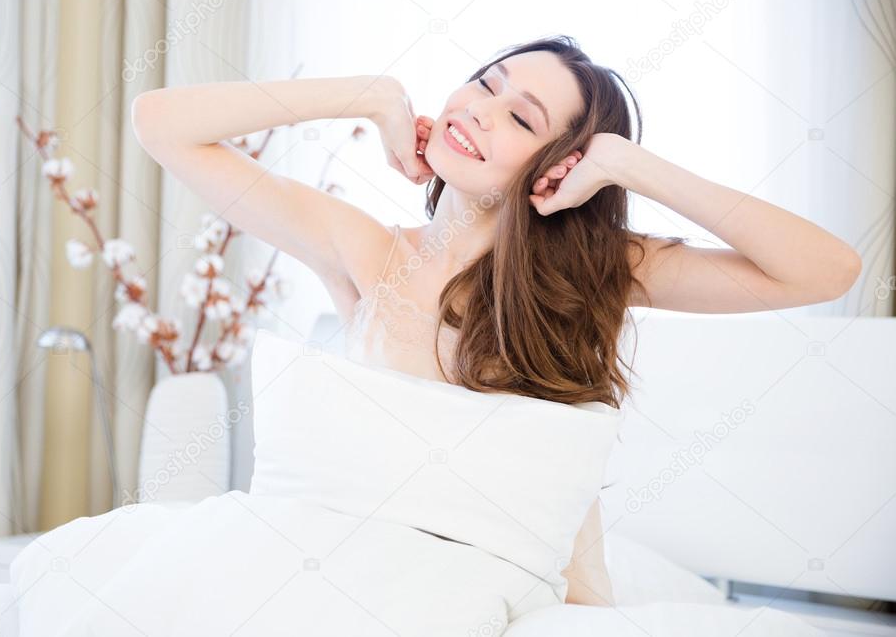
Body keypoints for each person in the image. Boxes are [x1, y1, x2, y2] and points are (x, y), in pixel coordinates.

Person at [129, 34, 862, 607]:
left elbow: (824, 270)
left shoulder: (599, 272)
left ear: (561, 161)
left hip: (535, 603)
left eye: (520, 117)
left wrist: (626, 164)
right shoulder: (365, 250)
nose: (480, 109)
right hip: (370, 587)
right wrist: (368, 94)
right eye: (484, 83)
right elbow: (159, 124)